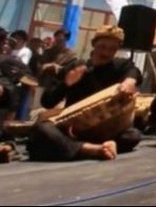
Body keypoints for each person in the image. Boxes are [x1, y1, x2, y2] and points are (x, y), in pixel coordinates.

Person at [27, 25, 142, 162]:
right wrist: (66, 84)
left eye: (112, 49)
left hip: (106, 130)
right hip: (74, 130)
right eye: (102, 47)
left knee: (133, 135)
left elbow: (134, 72)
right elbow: (47, 101)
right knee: (41, 129)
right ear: (94, 45)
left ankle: (82, 149)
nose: (106, 52)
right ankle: (92, 149)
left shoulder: (121, 66)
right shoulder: (76, 68)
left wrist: (130, 81)